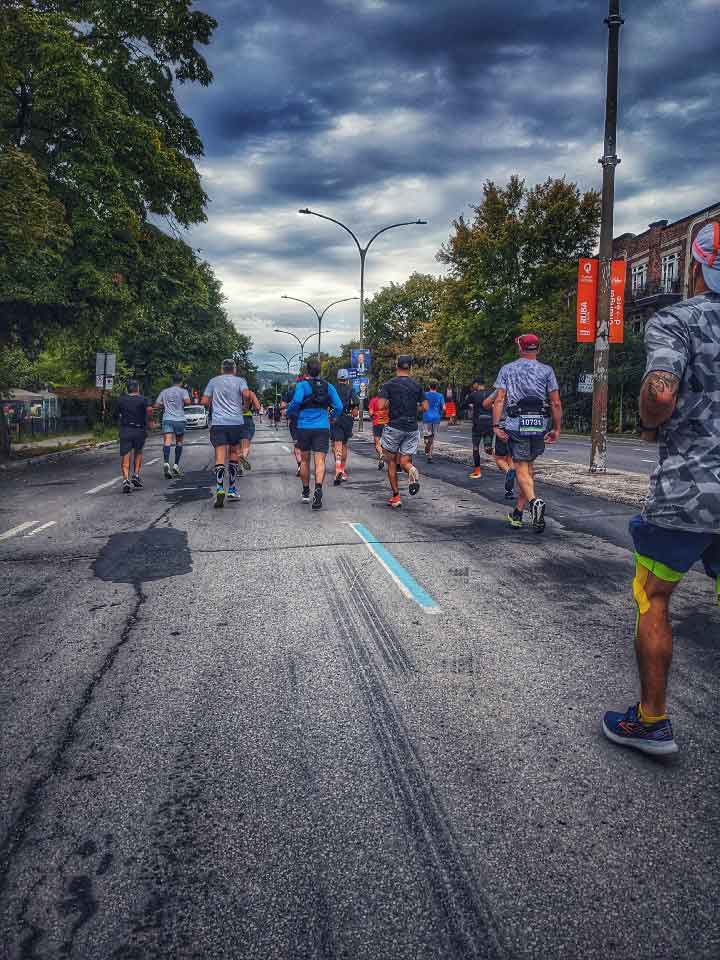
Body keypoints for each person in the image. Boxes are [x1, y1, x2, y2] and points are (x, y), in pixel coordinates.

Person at [603, 222, 720, 757]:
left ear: (695, 267)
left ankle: (652, 722)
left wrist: (651, 421)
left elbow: (661, 390)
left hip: (689, 490)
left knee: (652, 597)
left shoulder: (679, 320)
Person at [492, 333, 561, 533]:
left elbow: (499, 399)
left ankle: (534, 502)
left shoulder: (508, 369)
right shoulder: (547, 371)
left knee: (521, 468)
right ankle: (518, 513)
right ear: (538, 349)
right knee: (529, 469)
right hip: (539, 424)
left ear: (520, 348)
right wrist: (556, 428)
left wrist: (497, 425)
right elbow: (555, 402)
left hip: (516, 423)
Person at [285, 358, 343, 510]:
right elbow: (339, 406)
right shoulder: (328, 386)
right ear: (320, 371)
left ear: (307, 371)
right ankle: (318, 488)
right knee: (320, 461)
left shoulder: (302, 385)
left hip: (304, 427)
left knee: (304, 461)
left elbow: (296, 402)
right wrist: (332, 417)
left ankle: (305, 492)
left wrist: (290, 413)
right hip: (322, 427)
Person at [377, 355, 426, 509]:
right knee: (405, 461)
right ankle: (411, 469)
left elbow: (381, 405)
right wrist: (413, 409)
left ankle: (396, 496)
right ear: (410, 367)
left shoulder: (388, 385)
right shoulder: (417, 386)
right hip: (412, 428)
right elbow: (425, 407)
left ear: (396, 365)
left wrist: (388, 403)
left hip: (395, 427)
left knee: (391, 461)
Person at [201, 359, 250, 508]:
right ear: (234, 370)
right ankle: (232, 489)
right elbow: (247, 395)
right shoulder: (240, 381)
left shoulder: (213, 381)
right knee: (234, 452)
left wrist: (213, 405)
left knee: (220, 455)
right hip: (236, 422)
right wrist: (244, 406)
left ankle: (220, 487)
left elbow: (204, 401)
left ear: (221, 369)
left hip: (219, 423)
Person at [118, 380, 153, 494]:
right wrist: (149, 421)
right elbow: (149, 409)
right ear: (137, 388)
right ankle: (136, 475)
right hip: (139, 430)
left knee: (126, 455)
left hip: (126, 430)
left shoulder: (121, 400)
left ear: (127, 389)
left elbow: (117, 414)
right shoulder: (143, 399)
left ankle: (126, 480)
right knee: (138, 452)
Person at [154, 372, 191, 479]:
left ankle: (166, 462)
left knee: (167, 442)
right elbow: (188, 402)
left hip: (167, 419)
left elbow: (156, 405)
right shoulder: (183, 391)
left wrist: (165, 404)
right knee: (179, 442)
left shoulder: (164, 391)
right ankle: (175, 465)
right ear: (181, 381)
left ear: (172, 381)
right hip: (179, 419)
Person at [332, 371, 356, 485]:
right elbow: (355, 407)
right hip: (347, 419)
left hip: (335, 417)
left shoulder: (332, 389)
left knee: (337, 443)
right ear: (347, 379)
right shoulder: (350, 389)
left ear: (337, 378)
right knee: (344, 445)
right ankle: (342, 470)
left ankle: (337, 468)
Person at [421, 381, 445, 462]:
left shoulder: (425, 394)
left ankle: (427, 444)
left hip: (426, 418)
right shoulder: (440, 395)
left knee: (426, 436)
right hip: (436, 418)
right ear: (436, 387)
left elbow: (421, 405)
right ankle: (430, 456)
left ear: (429, 386)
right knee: (432, 437)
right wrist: (440, 412)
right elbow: (444, 408)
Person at [241, 388, 261, 469]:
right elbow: (258, 407)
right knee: (246, 444)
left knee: (236, 444)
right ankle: (243, 457)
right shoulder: (250, 393)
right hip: (247, 418)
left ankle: (238, 467)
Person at [368, 393, 388, 470]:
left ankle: (381, 454)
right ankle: (385, 457)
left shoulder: (373, 400)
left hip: (377, 423)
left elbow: (370, 412)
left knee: (377, 443)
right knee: (386, 443)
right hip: (386, 423)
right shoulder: (387, 401)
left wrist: (372, 416)